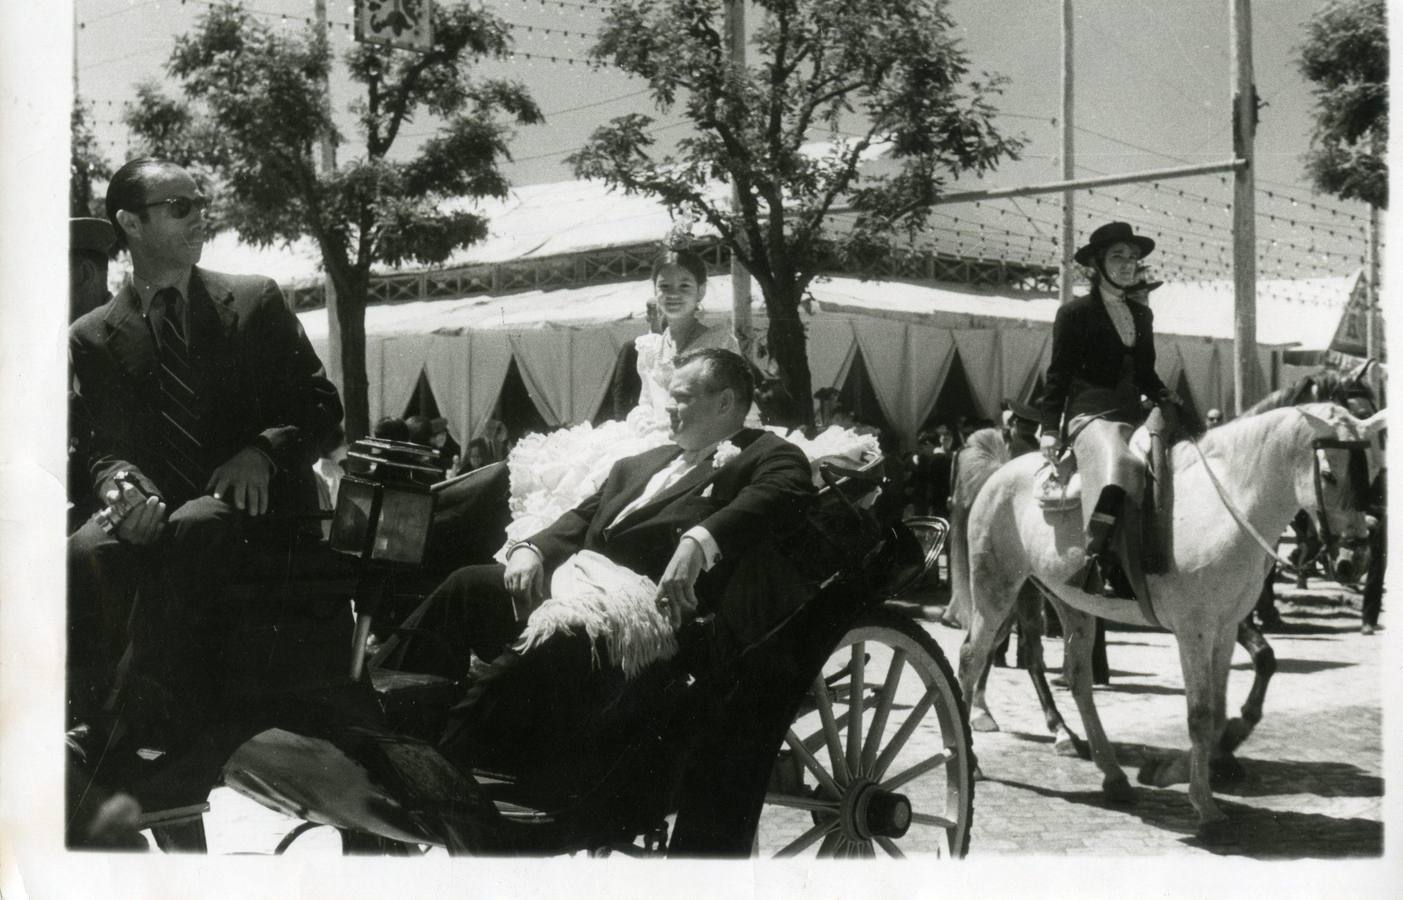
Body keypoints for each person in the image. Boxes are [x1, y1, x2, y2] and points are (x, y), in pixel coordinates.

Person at [410, 349, 815, 852]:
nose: (670, 409)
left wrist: (698, 541)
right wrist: (531, 550)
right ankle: (387, 720)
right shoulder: (637, 465)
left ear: (726, 402)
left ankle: (442, 759)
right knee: (468, 585)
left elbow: (781, 493)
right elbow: (579, 521)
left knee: (570, 627)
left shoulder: (766, 454)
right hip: (580, 586)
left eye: (682, 398)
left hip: (654, 618)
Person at [67, 158, 342, 743]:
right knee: (79, 550)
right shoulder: (91, 336)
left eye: (200, 203)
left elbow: (321, 407)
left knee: (196, 524)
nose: (200, 218)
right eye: (181, 207)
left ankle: (133, 711)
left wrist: (262, 451)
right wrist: (120, 483)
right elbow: (99, 447)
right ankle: (79, 714)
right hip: (155, 515)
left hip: (254, 522)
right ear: (131, 223)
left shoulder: (254, 301)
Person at [1039, 221, 1175, 597]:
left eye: (1133, 257)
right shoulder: (1074, 313)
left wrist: (1165, 394)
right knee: (1120, 463)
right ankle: (1101, 559)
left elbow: (1145, 372)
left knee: (1180, 450)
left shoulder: (1142, 315)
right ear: (1098, 263)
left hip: (1132, 408)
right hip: (1091, 412)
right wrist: (1051, 426)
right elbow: (1058, 374)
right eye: (1118, 256)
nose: (1128, 263)